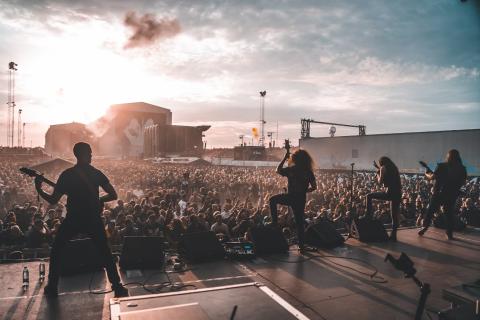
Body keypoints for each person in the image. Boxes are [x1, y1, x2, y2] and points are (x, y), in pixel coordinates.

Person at [34, 142, 128, 298]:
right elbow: (113, 195)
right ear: (83, 154)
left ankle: (52, 287)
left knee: (57, 250)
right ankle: (117, 287)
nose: (92, 155)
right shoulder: (96, 173)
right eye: (90, 153)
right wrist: (99, 200)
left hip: (73, 219)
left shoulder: (67, 174)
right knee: (105, 253)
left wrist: (39, 188)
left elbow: (53, 200)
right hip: (92, 218)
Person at [269, 149, 317, 253]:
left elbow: (278, 170)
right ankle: (302, 247)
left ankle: (274, 223)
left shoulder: (292, 170)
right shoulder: (308, 172)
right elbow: (314, 187)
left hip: (290, 197)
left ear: (295, 159)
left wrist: (284, 158)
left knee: (272, 200)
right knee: (299, 223)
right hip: (300, 199)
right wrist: (304, 190)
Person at [418, 149, 467, 240]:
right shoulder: (462, 168)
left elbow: (432, 177)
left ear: (448, 156)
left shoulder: (441, 166)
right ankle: (449, 233)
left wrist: (426, 173)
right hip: (452, 194)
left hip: (439, 193)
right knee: (449, 213)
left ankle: (424, 228)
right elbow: (463, 182)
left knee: (430, 211)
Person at [366, 156, 402, 241]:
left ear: (381, 162)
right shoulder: (393, 167)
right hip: (397, 193)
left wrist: (378, 173)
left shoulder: (383, 168)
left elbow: (380, 181)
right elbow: (387, 174)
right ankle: (393, 236)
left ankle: (368, 215)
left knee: (369, 196)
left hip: (389, 192)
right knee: (394, 215)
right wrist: (378, 168)